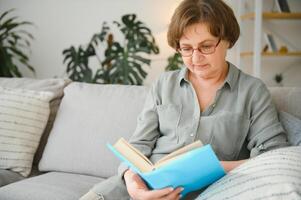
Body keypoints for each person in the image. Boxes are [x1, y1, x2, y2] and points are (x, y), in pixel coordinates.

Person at [80, 0, 288, 199]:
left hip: (209, 191)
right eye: (186, 49)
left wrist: (216, 167)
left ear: (227, 41)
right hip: (141, 186)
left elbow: (274, 156)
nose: (196, 58)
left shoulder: (252, 91)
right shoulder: (164, 84)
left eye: (206, 46)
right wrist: (135, 187)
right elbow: (139, 145)